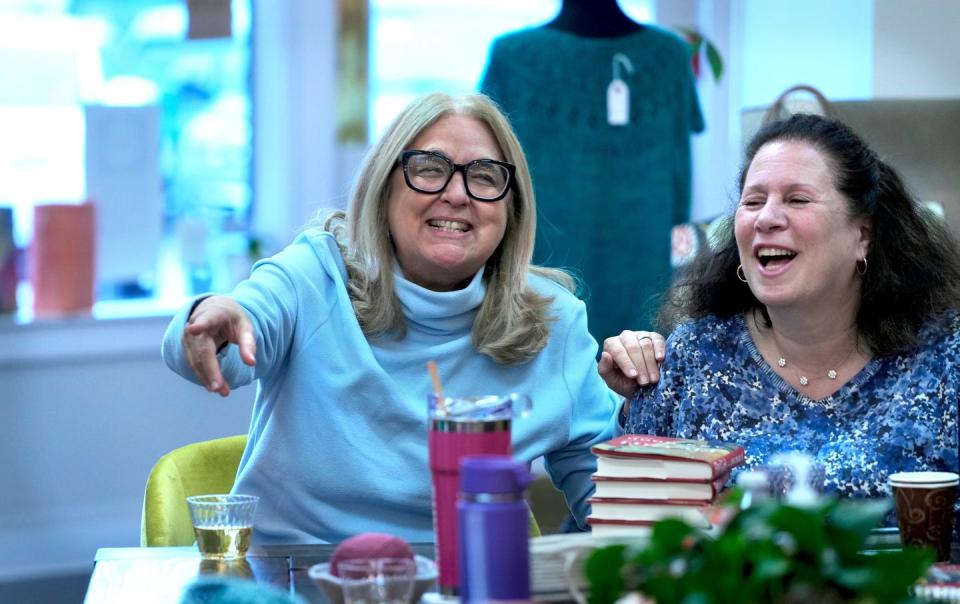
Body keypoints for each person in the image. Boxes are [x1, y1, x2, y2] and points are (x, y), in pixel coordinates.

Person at [161, 92, 649, 545]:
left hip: (464, 586)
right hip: (293, 581)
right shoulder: (316, 274)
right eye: (430, 168)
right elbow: (227, 346)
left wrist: (649, 408)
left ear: (510, 207)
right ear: (384, 188)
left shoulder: (554, 323)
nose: (457, 194)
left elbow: (609, 499)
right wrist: (213, 320)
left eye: (483, 175)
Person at [601, 113, 960, 501]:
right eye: (753, 201)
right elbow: (628, 526)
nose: (766, 218)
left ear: (863, 235)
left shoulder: (944, 362)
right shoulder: (690, 361)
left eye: (797, 199)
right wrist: (628, 408)